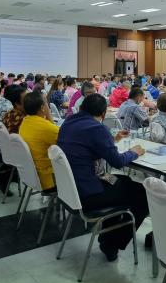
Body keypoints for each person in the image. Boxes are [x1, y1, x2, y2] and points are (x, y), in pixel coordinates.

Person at [57, 94, 148, 261]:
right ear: (103, 113)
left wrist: (112, 139)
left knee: (125, 182)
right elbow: (117, 161)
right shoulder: (97, 128)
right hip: (89, 194)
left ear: (82, 108)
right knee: (144, 195)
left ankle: (108, 236)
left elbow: (86, 146)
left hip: (72, 189)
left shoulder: (68, 123)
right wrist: (133, 152)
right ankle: (112, 243)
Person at [19, 92, 58, 191]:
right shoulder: (46, 127)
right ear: (42, 108)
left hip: (32, 176)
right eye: (46, 103)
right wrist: (49, 115)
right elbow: (63, 144)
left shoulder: (25, 122)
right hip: (49, 179)